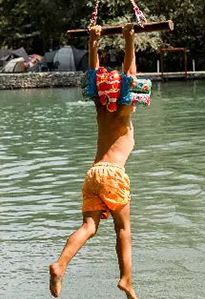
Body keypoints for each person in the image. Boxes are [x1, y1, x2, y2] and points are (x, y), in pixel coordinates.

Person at [50, 24, 142, 299]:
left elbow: (93, 75)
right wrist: (129, 39)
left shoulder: (100, 107)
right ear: (127, 97)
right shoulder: (125, 109)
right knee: (123, 229)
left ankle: (60, 264)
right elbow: (130, 73)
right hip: (113, 174)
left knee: (89, 227)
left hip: (92, 174)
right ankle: (126, 280)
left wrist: (93, 41)